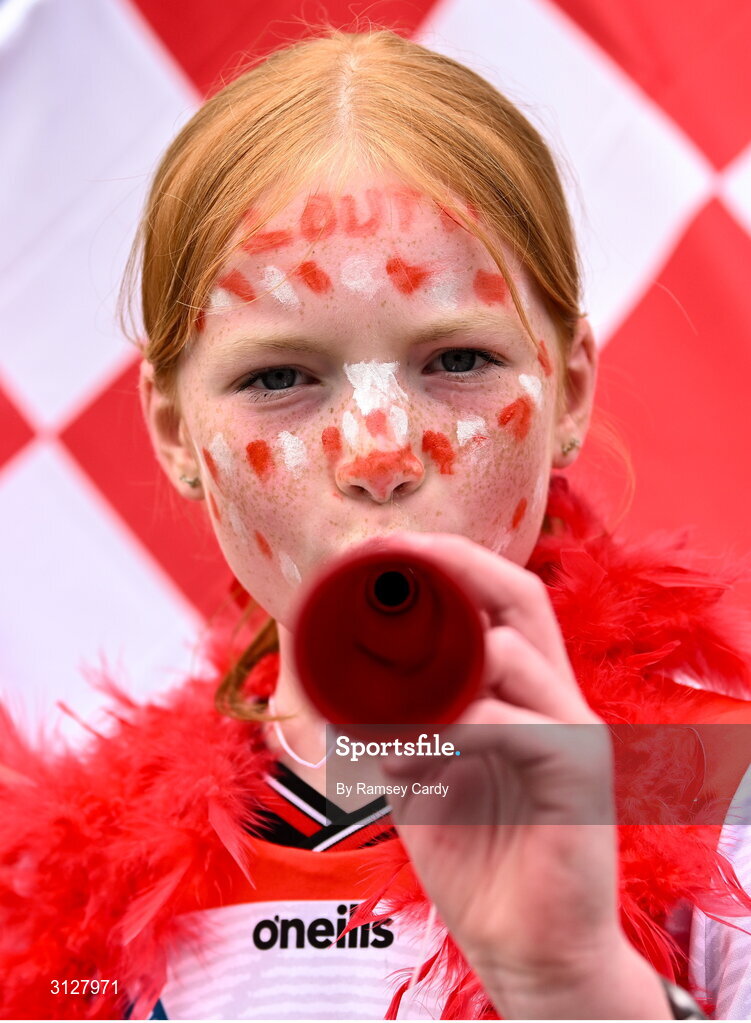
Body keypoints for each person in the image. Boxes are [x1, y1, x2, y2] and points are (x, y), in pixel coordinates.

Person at [2, 26, 751, 1021]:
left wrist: (574, 981)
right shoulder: (69, 892)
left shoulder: (721, 798)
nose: (378, 453)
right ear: (175, 429)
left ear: (567, 387)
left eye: (455, 360)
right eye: (279, 377)